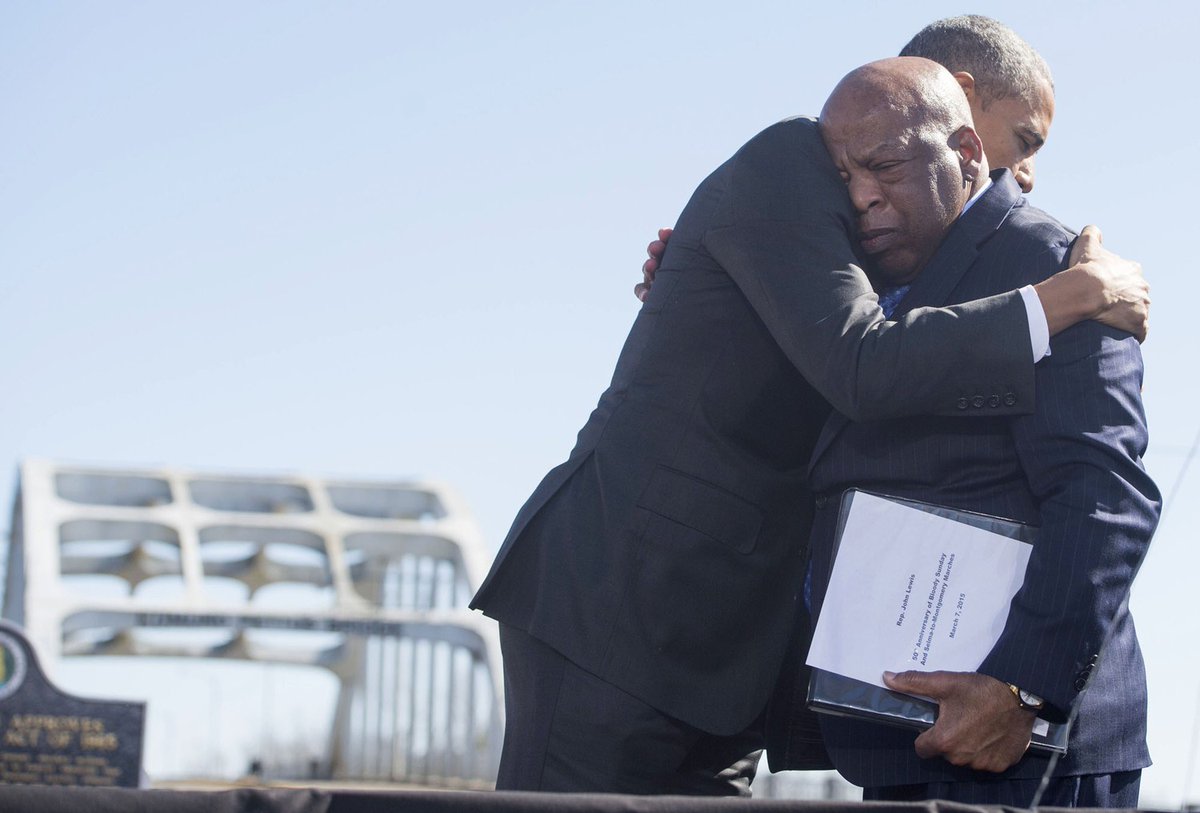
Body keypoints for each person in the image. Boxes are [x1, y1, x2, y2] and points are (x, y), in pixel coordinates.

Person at [470, 36, 1149, 802]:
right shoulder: (793, 166)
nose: (1024, 172)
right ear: (958, 103)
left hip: (733, 660)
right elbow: (862, 363)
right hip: (621, 614)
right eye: (1022, 142)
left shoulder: (947, 251)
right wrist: (1069, 296)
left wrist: (1026, 686)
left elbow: (1103, 491)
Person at [789, 57, 1158, 807]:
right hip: (900, 744)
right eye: (846, 175)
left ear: (963, 152)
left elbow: (1104, 495)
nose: (863, 196)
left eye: (886, 166)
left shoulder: (1056, 267)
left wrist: (1024, 691)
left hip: (1030, 752)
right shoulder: (851, 284)